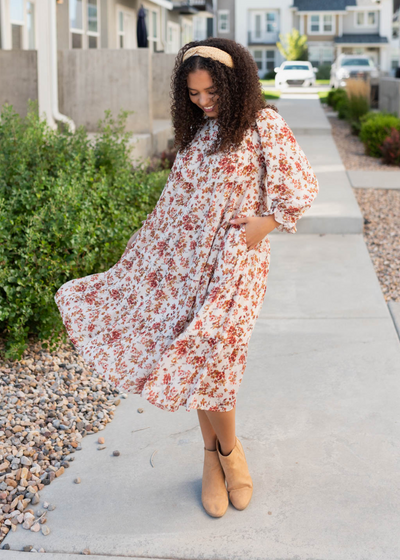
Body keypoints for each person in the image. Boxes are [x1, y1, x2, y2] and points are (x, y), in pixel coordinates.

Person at [54, 37, 319, 519]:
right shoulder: (201, 134)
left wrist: (266, 223)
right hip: (186, 264)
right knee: (196, 351)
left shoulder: (263, 124)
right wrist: (145, 259)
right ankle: (215, 459)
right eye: (194, 94)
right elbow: (177, 204)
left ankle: (228, 450)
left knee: (217, 354)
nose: (203, 102)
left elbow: (300, 183)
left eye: (211, 92)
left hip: (236, 262)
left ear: (234, 81)